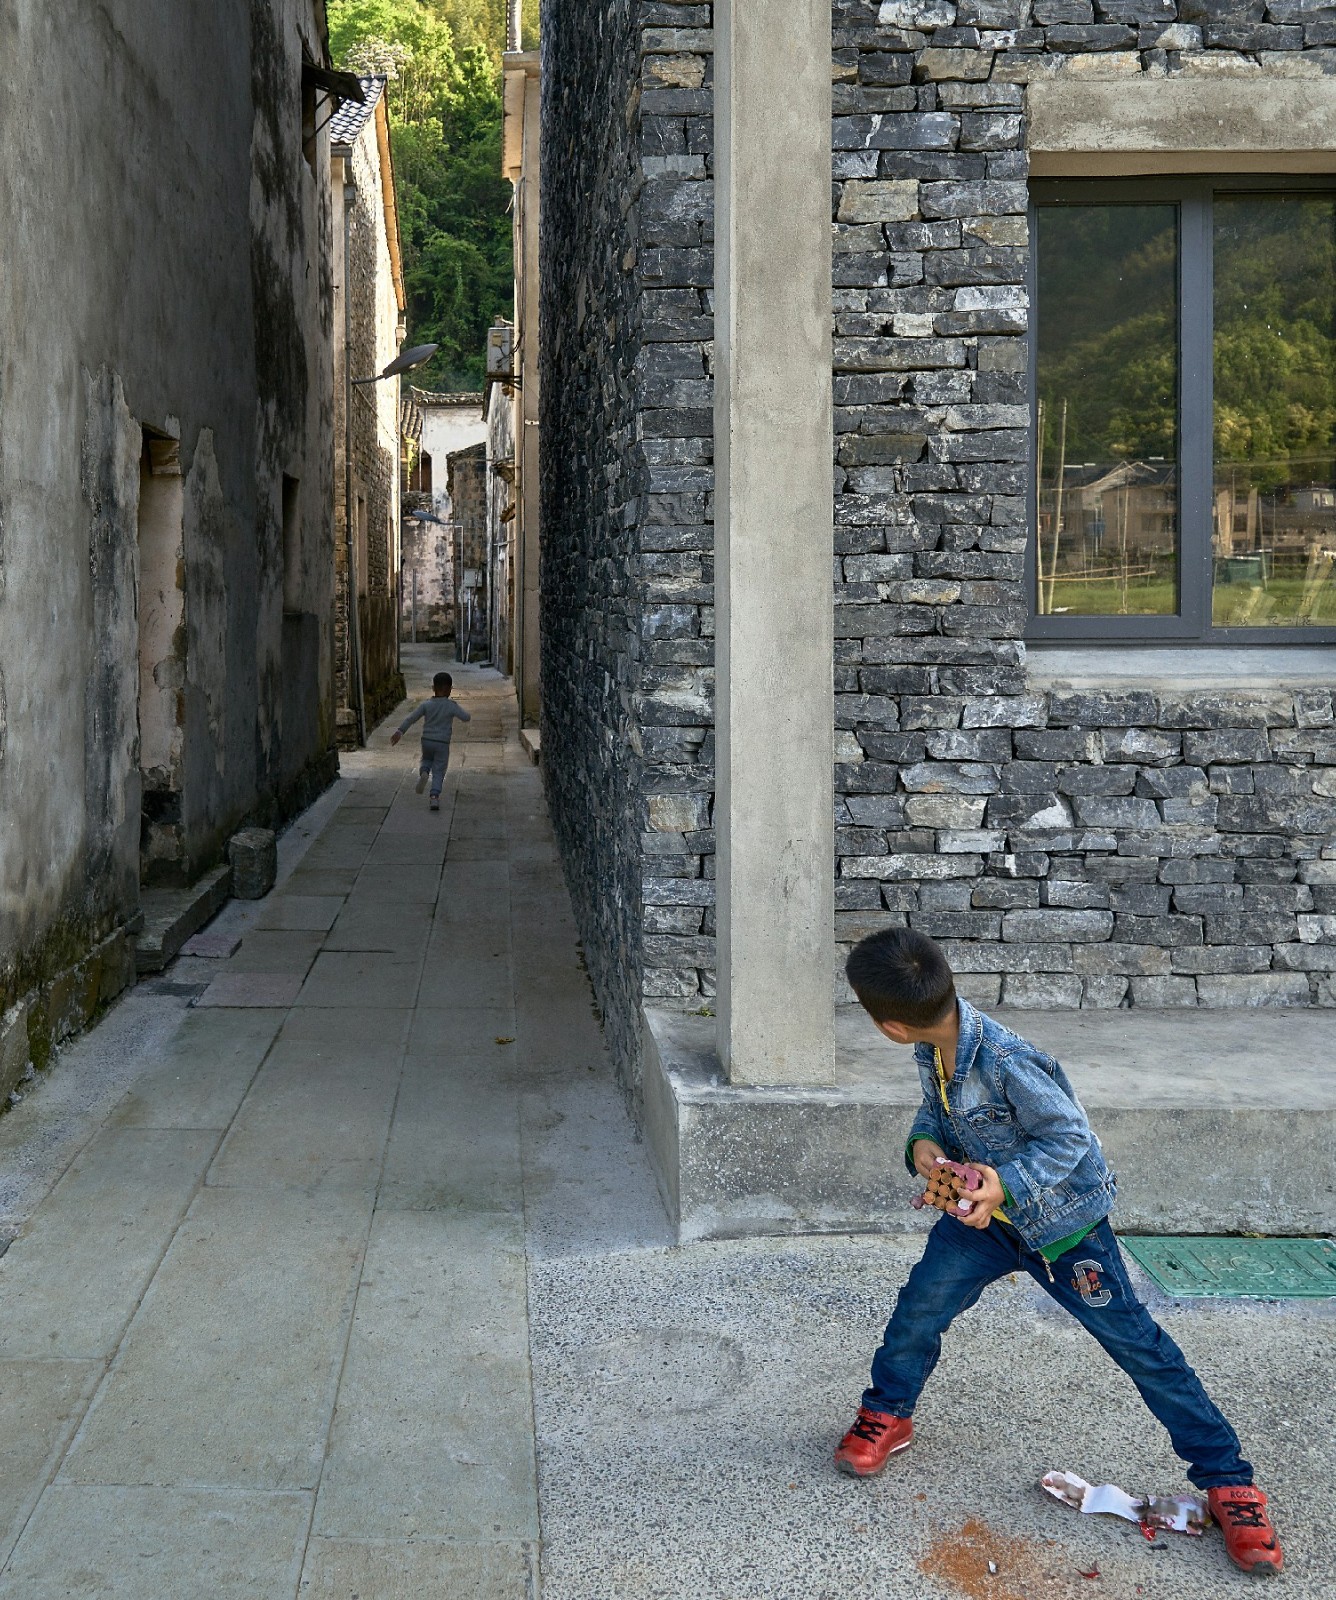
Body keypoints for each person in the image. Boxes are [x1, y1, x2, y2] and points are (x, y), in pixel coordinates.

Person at [834, 926, 1283, 1578]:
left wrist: (1004, 1184)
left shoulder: (1007, 1061)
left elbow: (1070, 1136)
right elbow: (936, 1113)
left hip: (1066, 1235)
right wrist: (925, 1149)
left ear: (891, 1027)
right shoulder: (934, 1048)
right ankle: (887, 1413)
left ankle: (1229, 1481)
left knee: (1140, 1349)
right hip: (983, 1225)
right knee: (919, 1309)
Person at [390, 671, 470, 811]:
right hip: (442, 743)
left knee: (426, 759)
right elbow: (466, 717)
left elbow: (411, 718)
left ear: (433, 688)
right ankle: (434, 796)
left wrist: (399, 731)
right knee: (439, 769)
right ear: (450, 689)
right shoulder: (451, 706)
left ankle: (424, 772)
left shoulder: (426, 705)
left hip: (427, 740)